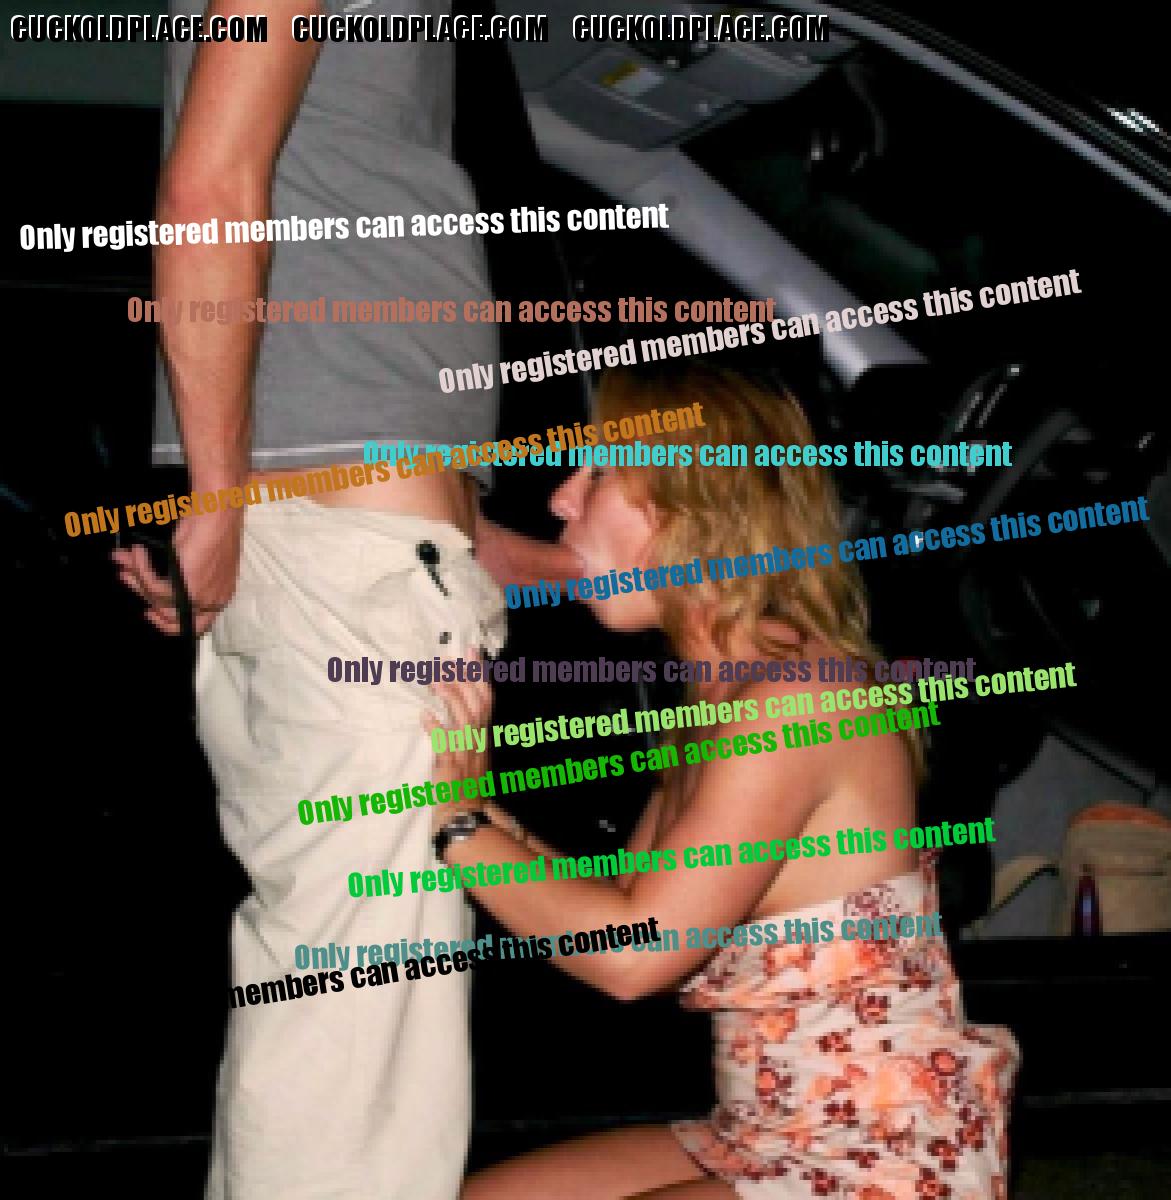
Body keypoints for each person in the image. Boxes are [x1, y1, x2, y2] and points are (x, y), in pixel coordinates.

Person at [112, 3, 576, 1197]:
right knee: (354, 1060)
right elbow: (209, 191)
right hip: (347, 567)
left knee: (339, 1034)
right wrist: (218, 503)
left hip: (356, 551)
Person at [430, 365, 1020, 1200]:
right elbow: (625, 900)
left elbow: (633, 956)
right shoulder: (724, 692)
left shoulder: (797, 700)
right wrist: (479, 807)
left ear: (692, 502)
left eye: (598, 473)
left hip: (883, 1156)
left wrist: (459, 828)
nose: (561, 499)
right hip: (763, 1132)